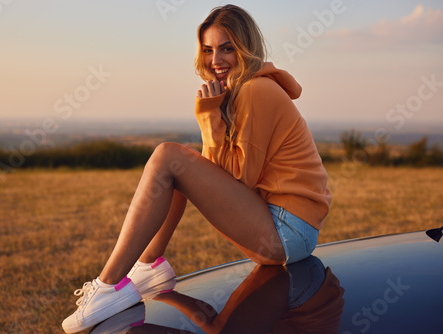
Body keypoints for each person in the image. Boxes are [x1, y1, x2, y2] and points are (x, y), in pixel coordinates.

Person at [62, 4, 332, 333]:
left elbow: (238, 179)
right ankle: (149, 265)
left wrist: (207, 118)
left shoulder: (256, 90)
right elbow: (212, 170)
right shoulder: (241, 91)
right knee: (178, 162)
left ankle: (107, 286)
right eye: (208, 50)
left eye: (227, 48)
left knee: (167, 157)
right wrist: (213, 118)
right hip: (284, 228)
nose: (215, 60)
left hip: (288, 230)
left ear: (245, 48)